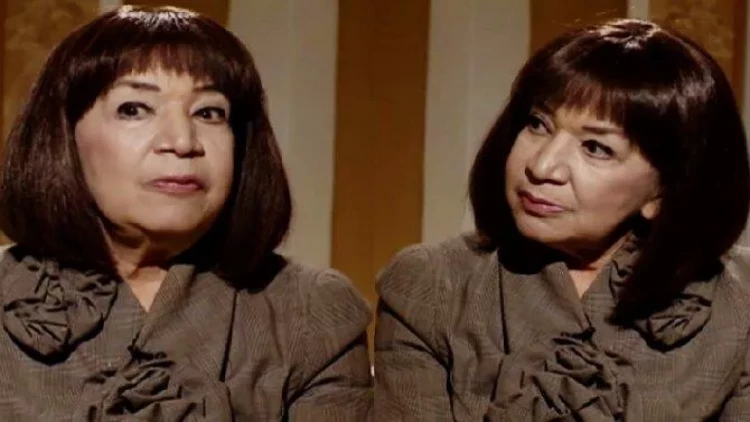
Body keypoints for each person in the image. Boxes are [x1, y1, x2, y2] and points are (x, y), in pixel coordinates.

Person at [0, 5, 372, 420]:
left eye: (209, 113)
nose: (182, 141)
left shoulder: (311, 311)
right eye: (134, 109)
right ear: (64, 135)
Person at [374, 19, 750, 421]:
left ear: (664, 190)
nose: (542, 166)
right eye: (538, 125)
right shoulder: (431, 285)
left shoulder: (739, 301)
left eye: (596, 148)